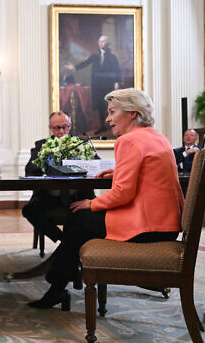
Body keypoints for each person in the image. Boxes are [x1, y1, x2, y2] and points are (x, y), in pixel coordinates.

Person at [29, 88, 182, 311]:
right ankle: (62, 280)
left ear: (132, 112)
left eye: (112, 112)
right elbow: (148, 176)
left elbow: (123, 194)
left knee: (79, 216)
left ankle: (57, 284)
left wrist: (92, 203)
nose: (107, 119)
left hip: (146, 227)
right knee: (80, 220)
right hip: (166, 225)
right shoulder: (158, 137)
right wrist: (117, 172)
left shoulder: (128, 141)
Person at [22, 111, 95, 243]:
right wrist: (50, 166)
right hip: (50, 196)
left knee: (90, 213)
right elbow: (30, 169)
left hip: (77, 196)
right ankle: (63, 240)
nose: (61, 131)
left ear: (70, 126)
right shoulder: (42, 146)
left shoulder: (81, 144)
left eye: (65, 127)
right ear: (50, 128)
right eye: (56, 128)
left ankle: (78, 242)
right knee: (29, 210)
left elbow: (97, 164)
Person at [66, 35, 121, 134]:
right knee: (100, 106)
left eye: (103, 41)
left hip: (108, 85)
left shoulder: (112, 57)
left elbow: (117, 70)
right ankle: (102, 126)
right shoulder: (95, 56)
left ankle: (113, 125)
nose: (101, 43)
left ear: (107, 44)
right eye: (99, 41)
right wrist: (74, 67)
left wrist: (117, 82)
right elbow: (85, 63)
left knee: (110, 106)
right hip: (97, 85)